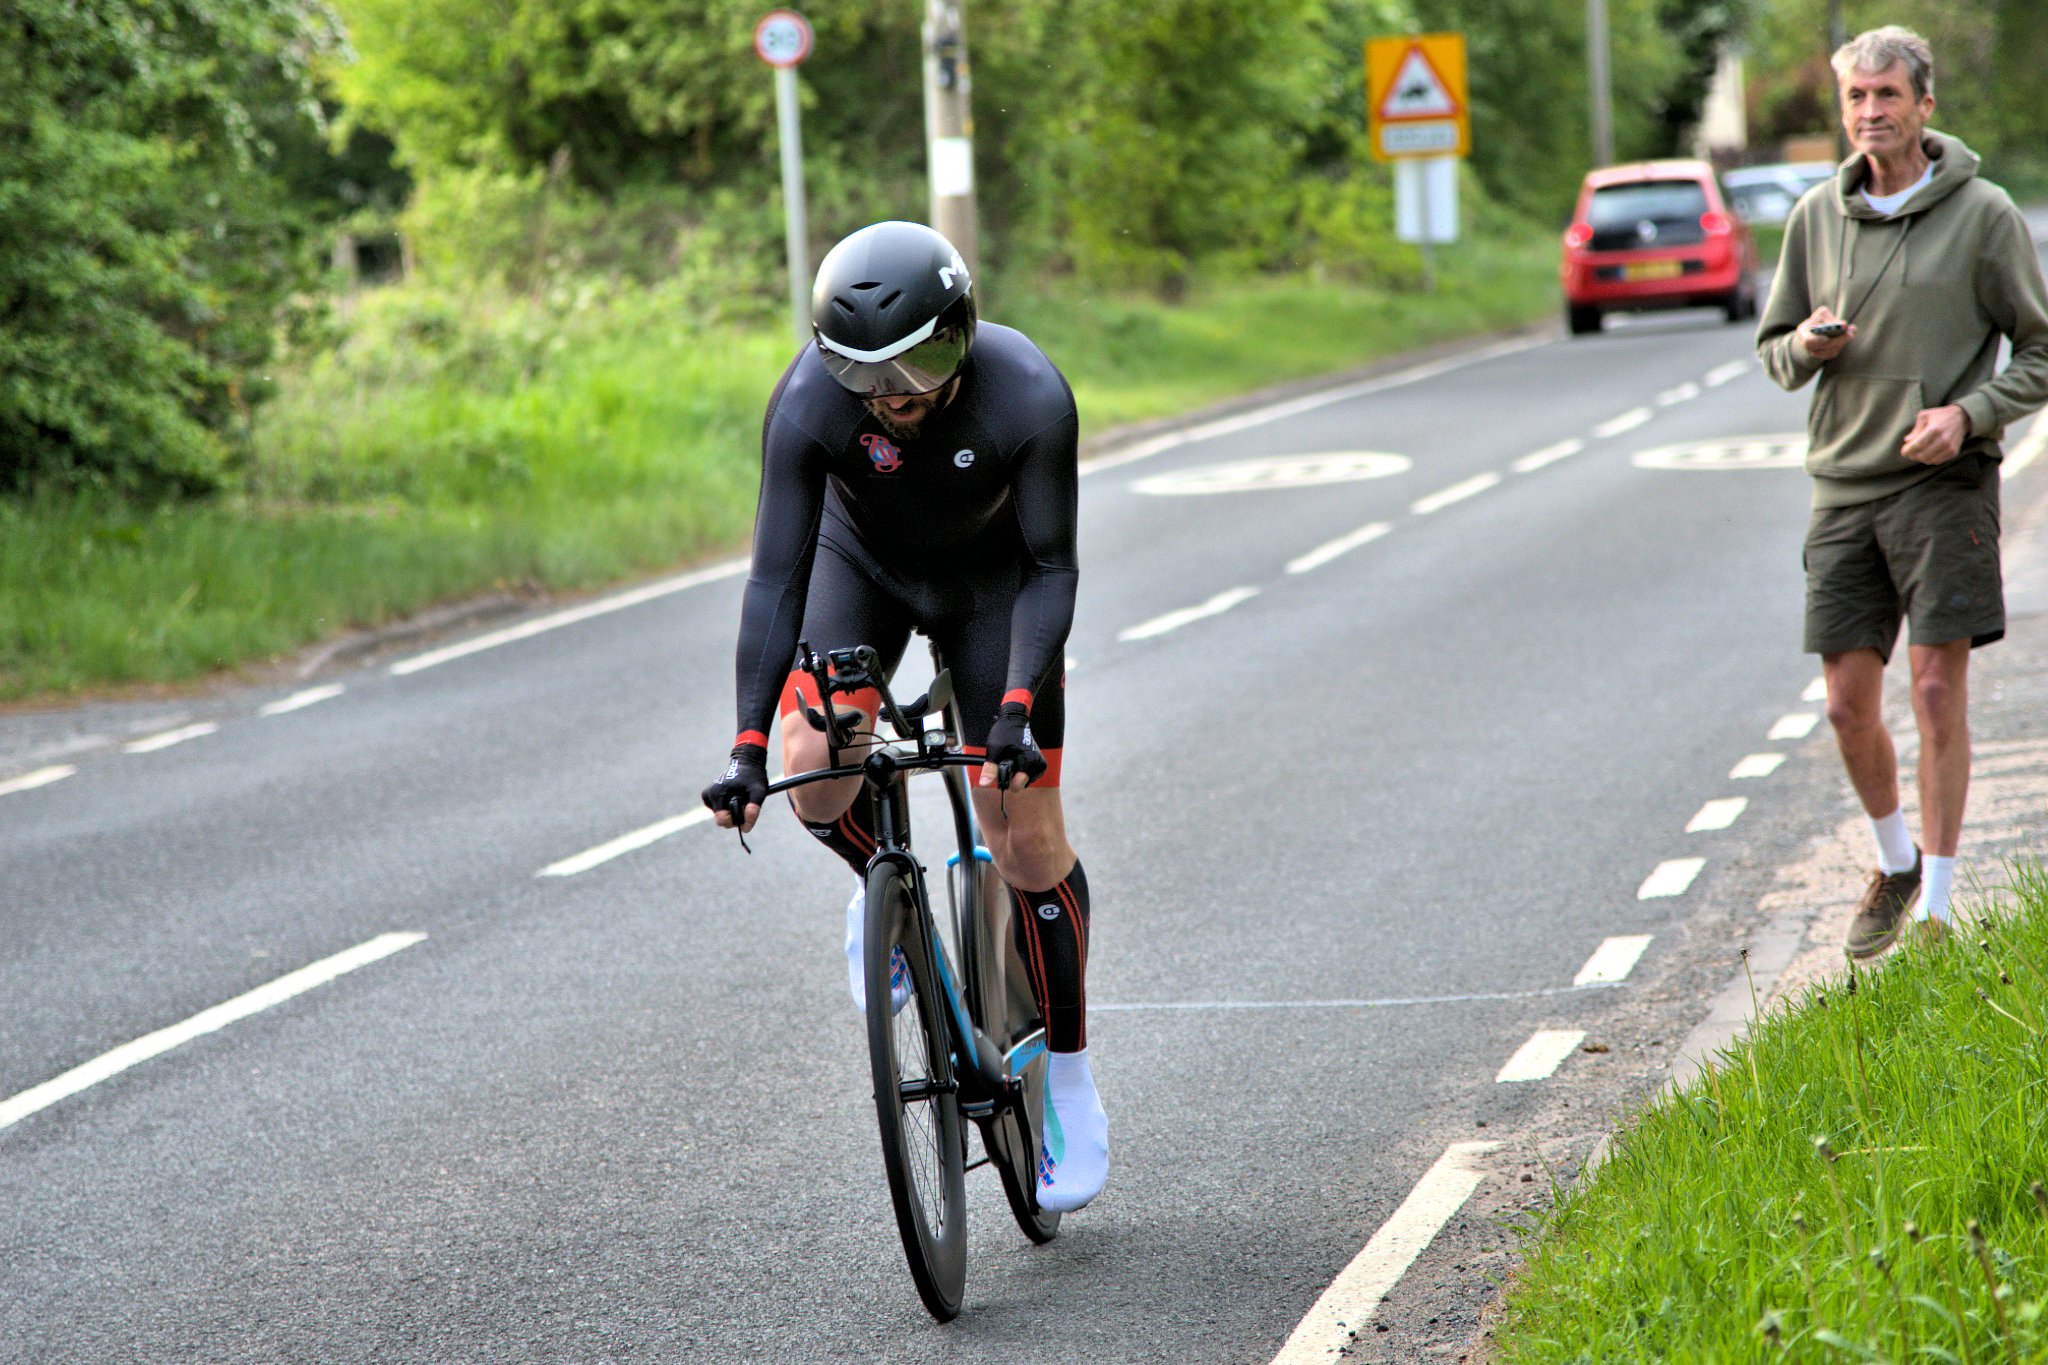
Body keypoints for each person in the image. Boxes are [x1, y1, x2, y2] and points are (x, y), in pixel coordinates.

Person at [700, 220, 1108, 1212]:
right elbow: (773, 581)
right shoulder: (806, 406)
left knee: (1023, 834)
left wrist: (1012, 711)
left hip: (992, 579)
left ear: (961, 331)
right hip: (862, 565)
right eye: (862, 371)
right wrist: (749, 748)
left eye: (921, 360)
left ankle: (1066, 1075)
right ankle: (876, 894)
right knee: (817, 760)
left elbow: (1052, 569)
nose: (894, 393)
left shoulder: (1028, 394)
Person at [1757, 26, 2048, 956]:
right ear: (1841, 111)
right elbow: (1773, 355)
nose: (1871, 112)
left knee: (1932, 689)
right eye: (1856, 98)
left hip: (1943, 483)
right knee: (1845, 702)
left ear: (1925, 106)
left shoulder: (1985, 214)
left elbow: (2038, 349)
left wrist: (1968, 414)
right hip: (1843, 486)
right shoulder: (1815, 216)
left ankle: (1940, 911)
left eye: (1888, 95)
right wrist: (1807, 345)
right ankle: (1894, 862)